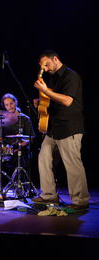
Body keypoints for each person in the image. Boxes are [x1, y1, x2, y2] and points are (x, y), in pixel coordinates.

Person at [33, 49, 89, 211]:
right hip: (54, 127)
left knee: (72, 165)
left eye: (47, 64)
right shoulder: (52, 79)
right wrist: (41, 102)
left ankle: (80, 201)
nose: (45, 68)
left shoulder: (71, 76)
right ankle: (49, 195)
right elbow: (52, 99)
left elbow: (67, 101)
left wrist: (46, 91)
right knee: (44, 158)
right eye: (42, 66)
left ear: (56, 59)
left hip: (69, 127)